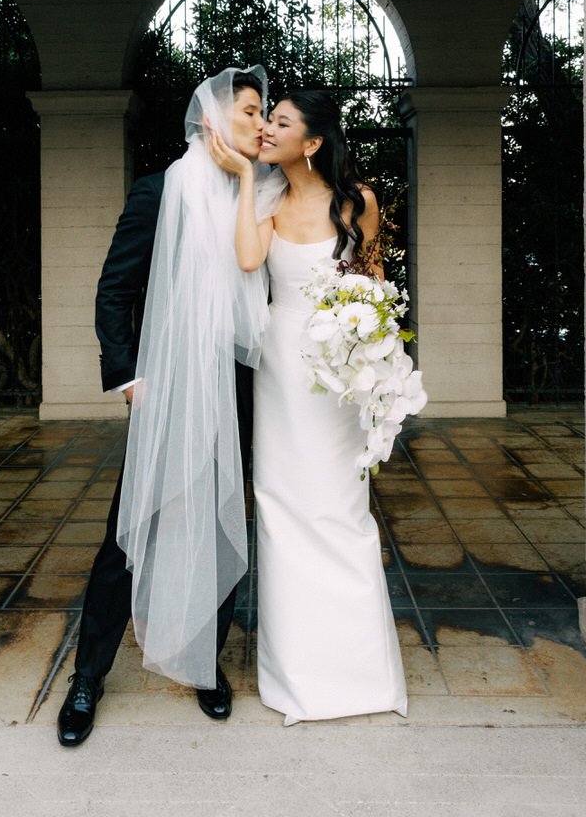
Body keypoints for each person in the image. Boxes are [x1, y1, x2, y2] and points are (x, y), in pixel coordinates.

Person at [57, 67, 277, 747]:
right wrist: (126, 376)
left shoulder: (265, 195)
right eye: (247, 111)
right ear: (213, 118)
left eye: (264, 111)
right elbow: (113, 290)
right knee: (134, 526)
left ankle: (206, 666)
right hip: (170, 386)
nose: (260, 121)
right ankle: (88, 677)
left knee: (217, 519)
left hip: (237, 388)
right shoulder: (160, 192)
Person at [208, 88, 408, 725]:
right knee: (282, 508)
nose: (266, 127)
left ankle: (361, 676)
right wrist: (244, 178)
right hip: (281, 371)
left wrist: (372, 362)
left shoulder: (359, 203)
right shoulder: (267, 196)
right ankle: (297, 677)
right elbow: (247, 258)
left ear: (313, 142)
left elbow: (375, 289)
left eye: (281, 122)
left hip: (339, 374)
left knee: (342, 511)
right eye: (267, 119)